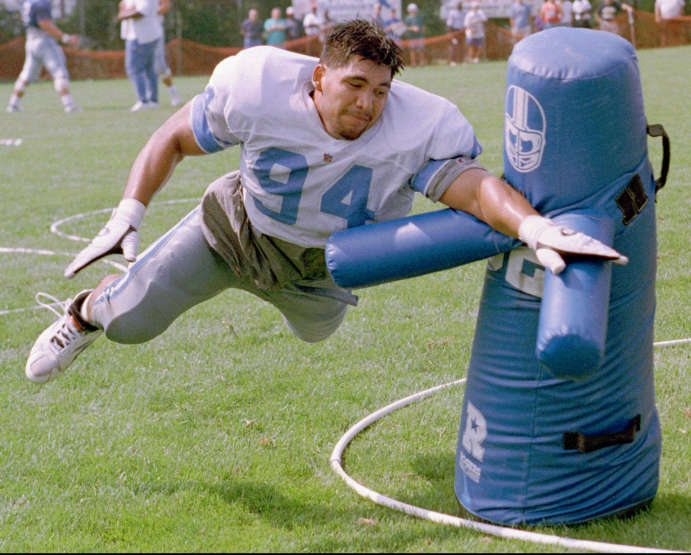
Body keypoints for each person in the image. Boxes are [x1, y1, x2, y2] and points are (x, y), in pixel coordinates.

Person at [24, 20, 626, 386]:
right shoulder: (258, 84)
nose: (368, 104)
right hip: (235, 229)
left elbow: (469, 186)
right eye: (355, 86)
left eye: (382, 91)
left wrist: (533, 226)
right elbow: (174, 138)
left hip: (320, 268)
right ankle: (82, 314)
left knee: (316, 334)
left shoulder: (422, 123)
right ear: (318, 79)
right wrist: (127, 214)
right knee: (130, 325)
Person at [6, 0, 80, 113]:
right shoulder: (42, 3)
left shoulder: (29, 2)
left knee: (26, 75)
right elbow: (44, 23)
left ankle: (13, 104)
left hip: (31, 41)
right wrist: (65, 38)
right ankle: (69, 104)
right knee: (59, 71)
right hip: (44, 41)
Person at [119, 0, 161, 112]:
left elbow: (141, 12)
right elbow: (122, 6)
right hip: (142, 35)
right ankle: (153, 100)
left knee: (134, 69)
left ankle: (144, 100)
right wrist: (127, 11)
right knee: (149, 69)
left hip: (140, 36)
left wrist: (125, 14)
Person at [153, 0, 181, 107]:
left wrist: (146, 13)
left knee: (159, 65)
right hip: (135, 34)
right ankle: (146, 99)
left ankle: (173, 92)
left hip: (154, 32)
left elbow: (166, 6)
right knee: (140, 67)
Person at [446, 1, 467, 66]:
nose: (460, 6)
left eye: (460, 4)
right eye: (458, 4)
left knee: (462, 47)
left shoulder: (464, 12)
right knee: (454, 47)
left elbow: (465, 23)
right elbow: (449, 24)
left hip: (462, 31)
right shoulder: (452, 13)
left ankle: (461, 61)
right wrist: (450, 34)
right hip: (454, 31)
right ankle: (452, 61)